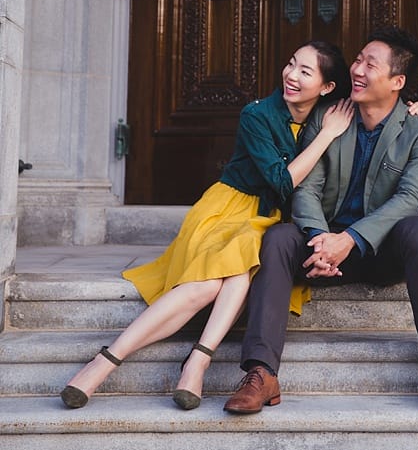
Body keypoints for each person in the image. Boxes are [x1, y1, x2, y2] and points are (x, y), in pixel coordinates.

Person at [60, 41, 355, 410]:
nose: (291, 75)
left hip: (268, 223)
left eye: (305, 72)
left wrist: (415, 110)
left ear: (327, 87)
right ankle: (152, 363)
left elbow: (382, 111)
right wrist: (327, 136)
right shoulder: (258, 114)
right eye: (291, 63)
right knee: (210, 284)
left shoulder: (333, 112)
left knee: (231, 271)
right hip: (228, 211)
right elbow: (280, 183)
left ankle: (127, 364)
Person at [222, 25, 418, 414]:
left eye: (371, 64)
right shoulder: (331, 117)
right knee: (281, 238)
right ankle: (261, 373)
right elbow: (307, 189)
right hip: (322, 249)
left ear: (397, 81)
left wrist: (347, 239)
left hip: (377, 251)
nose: (358, 69)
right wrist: (320, 238)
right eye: (358, 59)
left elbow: (411, 197)